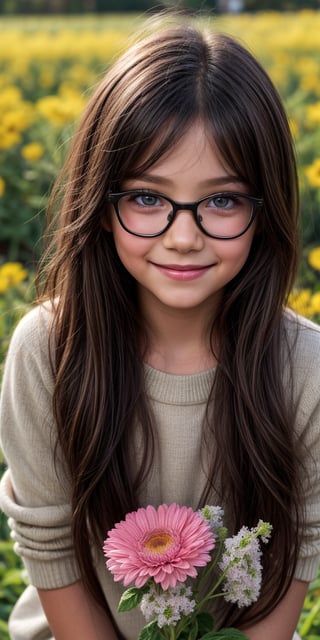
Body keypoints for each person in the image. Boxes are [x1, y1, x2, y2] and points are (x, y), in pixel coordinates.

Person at [0, 16, 319, 640]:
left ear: (267, 207)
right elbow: (53, 552)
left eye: (222, 200)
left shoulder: (305, 368)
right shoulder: (48, 351)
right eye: (147, 197)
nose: (182, 236)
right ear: (101, 198)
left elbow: (296, 554)